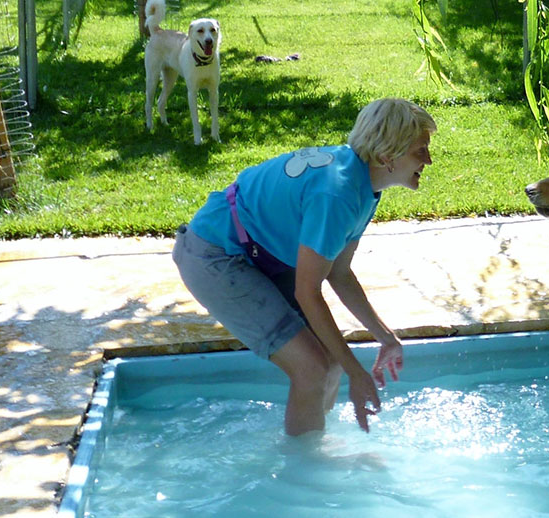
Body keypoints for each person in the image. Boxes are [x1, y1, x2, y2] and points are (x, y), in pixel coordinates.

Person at [171, 97, 435, 436]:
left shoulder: (363, 183)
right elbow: (307, 292)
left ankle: (313, 448)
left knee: (332, 362)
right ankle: (302, 471)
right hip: (215, 255)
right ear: (386, 156)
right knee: (312, 368)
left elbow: (339, 273)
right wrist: (358, 373)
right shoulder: (337, 194)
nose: (428, 160)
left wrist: (386, 337)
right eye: (419, 151)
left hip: (257, 253)